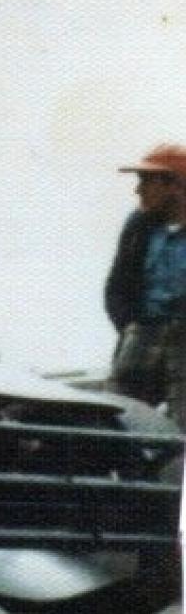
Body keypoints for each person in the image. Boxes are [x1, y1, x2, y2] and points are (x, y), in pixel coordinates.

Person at [106, 143, 186, 428]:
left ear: (175, 186)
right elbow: (116, 286)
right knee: (115, 417)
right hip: (143, 332)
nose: (138, 190)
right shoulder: (139, 225)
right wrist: (130, 327)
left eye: (146, 181)